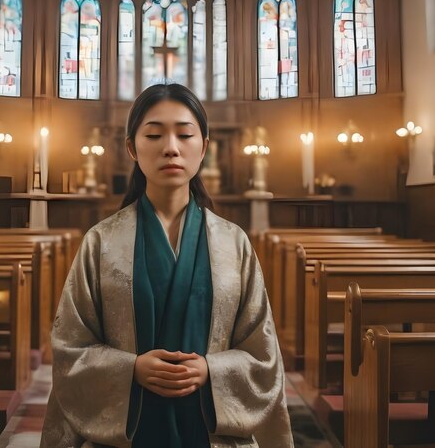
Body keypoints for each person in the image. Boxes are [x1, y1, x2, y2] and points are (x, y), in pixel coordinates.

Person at [40, 83, 294, 448]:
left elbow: (263, 354)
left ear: (204, 146)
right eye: (154, 134)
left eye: (185, 134)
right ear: (132, 147)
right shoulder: (101, 242)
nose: (171, 148)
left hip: (210, 432)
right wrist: (131, 370)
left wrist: (211, 370)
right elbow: (70, 349)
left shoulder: (233, 242)